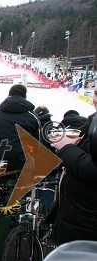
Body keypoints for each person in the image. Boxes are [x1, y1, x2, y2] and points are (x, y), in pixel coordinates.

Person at [49, 89, 97, 244]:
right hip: (79, 219)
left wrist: (66, 148)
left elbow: (93, 170)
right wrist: (75, 144)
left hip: (86, 225)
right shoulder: (92, 122)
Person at [0, 84, 40, 171]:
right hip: (21, 163)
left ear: (8, 95)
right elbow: (37, 144)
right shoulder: (32, 116)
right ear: (25, 97)